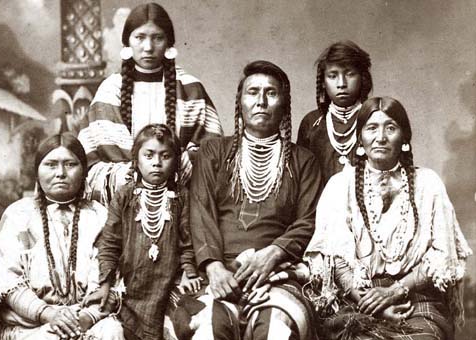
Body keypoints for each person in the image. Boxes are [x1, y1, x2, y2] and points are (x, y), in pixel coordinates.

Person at [304, 97, 473, 340]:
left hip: (415, 297)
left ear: (404, 138)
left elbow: (441, 254)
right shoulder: (341, 185)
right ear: (360, 138)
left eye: (390, 128)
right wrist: (372, 302)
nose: (380, 137)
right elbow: (335, 257)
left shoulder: (428, 184)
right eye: (372, 128)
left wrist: (396, 290)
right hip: (358, 299)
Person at [185, 60, 323, 340]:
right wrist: (214, 267)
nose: (261, 101)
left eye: (271, 93)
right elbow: (200, 211)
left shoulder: (302, 161)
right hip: (221, 273)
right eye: (252, 92)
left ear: (284, 105)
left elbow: (308, 220)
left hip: (277, 274)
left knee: (274, 327)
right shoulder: (213, 152)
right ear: (240, 103)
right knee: (211, 325)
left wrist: (271, 255)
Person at [0, 133, 123, 340]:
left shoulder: (100, 216)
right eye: (51, 164)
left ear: (83, 171)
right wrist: (48, 313)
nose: (61, 173)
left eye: (70, 164)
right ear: (37, 172)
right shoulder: (18, 215)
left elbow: (111, 279)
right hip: (31, 324)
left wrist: (87, 317)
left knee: (111, 331)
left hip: (86, 319)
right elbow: (7, 281)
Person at [76, 2, 223, 205]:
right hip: (121, 201)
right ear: (127, 42)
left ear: (169, 43)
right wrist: (134, 174)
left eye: (157, 38)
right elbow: (89, 158)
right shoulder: (110, 91)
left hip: (183, 200)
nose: (148, 47)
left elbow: (212, 148)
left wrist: (180, 165)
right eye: (140, 37)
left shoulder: (190, 88)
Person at [86, 124, 200, 340]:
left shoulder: (182, 197)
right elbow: (110, 242)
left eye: (165, 156)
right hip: (132, 285)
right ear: (136, 160)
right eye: (149, 155)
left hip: (168, 283)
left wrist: (188, 272)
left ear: (175, 161)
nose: (157, 163)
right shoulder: (124, 196)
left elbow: (188, 239)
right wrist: (105, 283)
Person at [297, 41, 372, 184]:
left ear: (362, 78)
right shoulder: (312, 123)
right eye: (333, 76)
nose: (342, 83)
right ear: (323, 82)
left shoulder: (374, 119)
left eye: (350, 74)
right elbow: (302, 179)